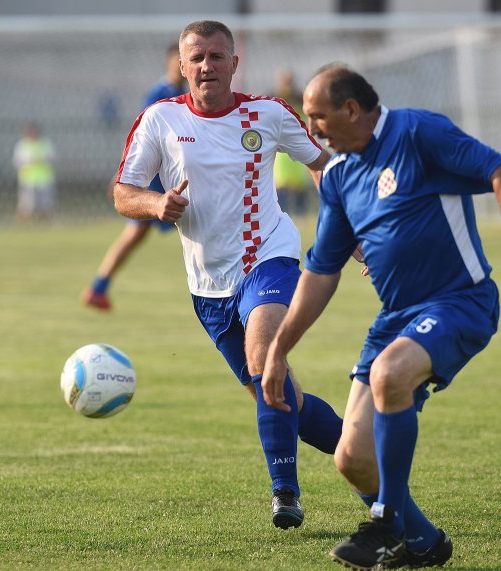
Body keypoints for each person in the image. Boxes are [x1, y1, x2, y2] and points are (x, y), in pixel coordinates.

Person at [261, 66, 501, 569]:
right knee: (351, 458)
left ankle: (386, 526)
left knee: (390, 373)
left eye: (318, 117)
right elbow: (320, 272)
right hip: (396, 318)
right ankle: (424, 545)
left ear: (352, 109)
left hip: (458, 302)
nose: (313, 131)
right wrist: (278, 349)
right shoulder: (337, 176)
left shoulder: (418, 132)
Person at [112, 20, 343, 529]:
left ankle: (285, 495)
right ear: (181, 64)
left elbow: (322, 165)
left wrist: (352, 226)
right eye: (196, 58)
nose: (206, 66)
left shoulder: (268, 113)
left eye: (217, 57)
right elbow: (123, 191)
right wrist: (156, 203)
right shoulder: (159, 120)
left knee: (266, 359)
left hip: (269, 257)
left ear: (234, 63)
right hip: (207, 287)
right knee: (279, 397)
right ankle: (362, 454)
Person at [83, 43, 188, 310]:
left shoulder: (179, 92)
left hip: (165, 175)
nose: (182, 65)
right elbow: (140, 134)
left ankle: (99, 287)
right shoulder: (161, 92)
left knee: (137, 234)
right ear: (169, 62)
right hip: (156, 177)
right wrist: (124, 175)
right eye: (179, 59)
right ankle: (98, 286)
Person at [272, 70, 313, 217]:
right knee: (282, 183)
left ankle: (302, 212)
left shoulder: (298, 99)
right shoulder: (276, 99)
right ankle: (281, 212)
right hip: (281, 151)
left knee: (299, 181)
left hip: (298, 144)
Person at [12, 122, 55, 222]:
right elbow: (17, 161)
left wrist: (42, 160)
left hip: (44, 179)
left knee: (46, 204)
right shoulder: (22, 145)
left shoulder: (45, 144)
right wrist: (30, 161)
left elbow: (52, 158)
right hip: (28, 179)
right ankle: (23, 223)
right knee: (26, 204)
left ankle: (45, 223)